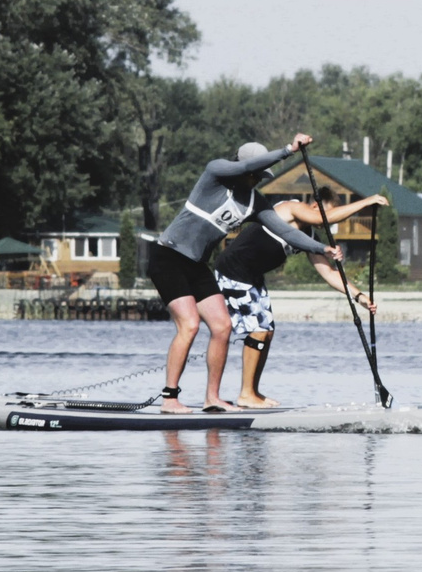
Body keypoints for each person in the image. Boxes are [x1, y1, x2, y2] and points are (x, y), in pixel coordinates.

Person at [149, 135, 334, 412]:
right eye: (255, 174)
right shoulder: (215, 174)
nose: (257, 179)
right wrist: (288, 150)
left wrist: (322, 247)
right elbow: (245, 166)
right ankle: (170, 398)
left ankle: (212, 398)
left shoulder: (254, 204)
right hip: (169, 257)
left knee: (223, 327)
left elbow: (286, 232)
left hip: (197, 265)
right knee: (189, 325)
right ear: (243, 168)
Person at [216, 191, 385, 408]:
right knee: (258, 331)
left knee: (267, 332)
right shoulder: (290, 208)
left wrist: (359, 296)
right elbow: (324, 218)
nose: (325, 224)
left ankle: (252, 392)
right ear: (315, 206)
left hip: (252, 277)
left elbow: (330, 274)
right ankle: (246, 394)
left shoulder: (310, 237)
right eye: (327, 214)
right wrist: (368, 201)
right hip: (232, 270)